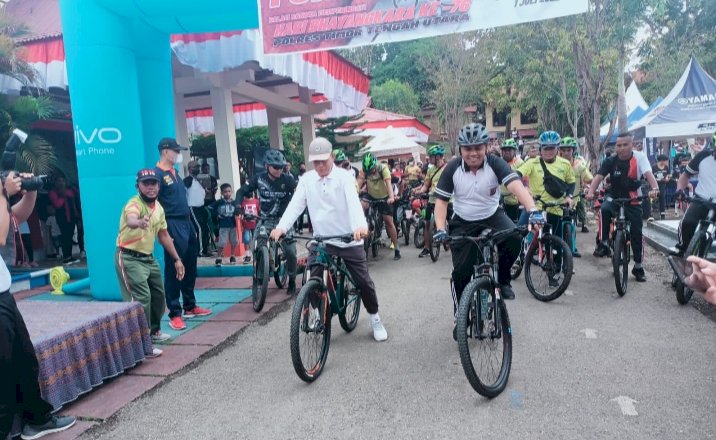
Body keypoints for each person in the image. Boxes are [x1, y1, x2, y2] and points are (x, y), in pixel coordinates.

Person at [270, 137, 388, 342]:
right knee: (312, 277)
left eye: (324, 160)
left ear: (332, 156)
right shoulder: (307, 179)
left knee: (363, 282)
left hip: (348, 238)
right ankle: (317, 314)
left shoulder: (344, 177)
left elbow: (353, 203)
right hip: (322, 240)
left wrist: (360, 226)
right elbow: (296, 205)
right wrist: (281, 227)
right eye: (316, 162)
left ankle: (375, 317)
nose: (320, 165)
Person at [432, 123, 541, 339]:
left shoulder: (495, 163)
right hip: (463, 220)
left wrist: (534, 210)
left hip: (492, 216)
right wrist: (439, 229)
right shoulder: (452, 168)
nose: (473, 153)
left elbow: (516, 187)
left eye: (478, 148)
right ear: (460, 149)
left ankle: (503, 279)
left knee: (514, 237)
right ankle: (461, 315)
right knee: (461, 272)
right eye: (468, 148)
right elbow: (442, 202)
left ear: (485, 147)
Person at [0, 172, 77, 440]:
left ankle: (37, 419)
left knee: (24, 360)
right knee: (3, 367)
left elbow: (15, 218)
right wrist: (3, 192)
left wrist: (30, 191)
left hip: (3, 293)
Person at [115, 169, 186, 354]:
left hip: (148, 259)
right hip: (129, 257)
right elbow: (131, 219)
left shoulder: (159, 209)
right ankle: (140, 343)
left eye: (153, 183)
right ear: (137, 186)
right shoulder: (134, 204)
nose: (150, 187)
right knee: (141, 298)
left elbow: (163, 235)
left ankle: (154, 331)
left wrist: (177, 259)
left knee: (158, 296)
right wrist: (139, 222)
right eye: (145, 183)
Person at [154, 138, 212, 331]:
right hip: (171, 223)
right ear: (165, 151)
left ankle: (189, 305)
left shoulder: (175, 173)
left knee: (190, 264)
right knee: (174, 268)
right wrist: (162, 229)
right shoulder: (157, 174)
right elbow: (153, 202)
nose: (177, 154)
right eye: (175, 151)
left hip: (186, 222)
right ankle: (174, 312)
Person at [587, 132, 659, 282]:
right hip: (615, 196)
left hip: (633, 198)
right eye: (618, 145)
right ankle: (604, 243)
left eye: (625, 145)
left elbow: (649, 175)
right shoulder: (610, 161)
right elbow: (598, 177)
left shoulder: (640, 158)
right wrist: (590, 192)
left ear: (632, 145)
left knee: (636, 232)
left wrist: (655, 188)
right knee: (604, 209)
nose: (621, 148)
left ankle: (638, 266)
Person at [235, 149, 298, 295]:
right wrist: (238, 207)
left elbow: (300, 195)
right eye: (275, 167)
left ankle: (293, 280)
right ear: (266, 166)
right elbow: (240, 192)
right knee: (257, 247)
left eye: (281, 167)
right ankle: (259, 277)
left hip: (284, 222)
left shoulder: (288, 180)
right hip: (265, 220)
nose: (279, 170)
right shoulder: (258, 179)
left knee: (291, 252)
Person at [517, 131, 577, 267]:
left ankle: (556, 269)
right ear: (540, 150)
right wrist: (523, 187)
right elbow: (517, 174)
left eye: (552, 148)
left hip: (555, 208)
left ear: (557, 149)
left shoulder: (565, 164)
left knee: (557, 243)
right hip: (535, 207)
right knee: (518, 231)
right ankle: (518, 257)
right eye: (545, 148)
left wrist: (569, 196)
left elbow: (571, 183)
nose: (549, 151)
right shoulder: (532, 163)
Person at [670, 135, 716, 257]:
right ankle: (682, 248)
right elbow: (685, 176)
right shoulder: (703, 156)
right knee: (686, 223)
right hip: (702, 199)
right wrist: (679, 190)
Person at [356, 152, 401, 260]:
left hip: (384, 196)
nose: (369, 172)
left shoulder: (383, 169)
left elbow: (389, 184)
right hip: (371, 195)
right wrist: (353, 194)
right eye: (367, 171)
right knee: (361, 205)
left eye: (371, 170)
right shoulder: (364, 171)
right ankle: (364, 225)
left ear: (375, 165)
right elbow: (358, 184)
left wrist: (391, 197)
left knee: (389, 222)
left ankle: (396, 248)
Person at [414, 145, 449, 258]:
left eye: (431, 157)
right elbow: (426, 185)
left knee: (452, 221)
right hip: (432, 198)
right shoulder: (430, 169)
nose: (429, 159)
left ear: (438, 157)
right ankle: (427, 248)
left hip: (446, 200)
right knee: (427, 223)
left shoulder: (448, 168)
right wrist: (420, 191)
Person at [558, 136, 593, 234]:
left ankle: (583, 224)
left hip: (574, 199)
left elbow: (590, 179)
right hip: (557, 201)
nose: (566, 153)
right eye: (563, 150)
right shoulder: (555, 165)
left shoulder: (579, 166)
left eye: (568, 150)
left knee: (579, 211)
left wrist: (590, 189)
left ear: (573, 150)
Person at [48, 176, 81, 265]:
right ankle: (66, 257)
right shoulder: (53, 192)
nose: (62, 183)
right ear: (56, 183)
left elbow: (74, 197)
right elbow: (57, 204)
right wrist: (63, 196)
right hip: (62, 218)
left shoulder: (69, 191)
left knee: (70, 237)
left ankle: (70, 256)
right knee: (65, 237)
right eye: (59, 181)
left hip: (72, 217)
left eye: (63, 181)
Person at [184, 160, 210, 257]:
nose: (198, 169)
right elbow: (183, 192)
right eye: (195, 167)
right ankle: (200, 251)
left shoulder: (200, 180)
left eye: (198, 167)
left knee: (206, 228)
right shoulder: (188, 180)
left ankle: (206, 249)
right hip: (193, 207)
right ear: (190, 169)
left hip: (201, 207)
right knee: (199, 229)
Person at [210, 183, 239, 266]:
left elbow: (239, 209)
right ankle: (219, 257)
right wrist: (217, 214)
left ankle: (232, 256)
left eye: (229, 191)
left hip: (233, 225)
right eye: (225, 191)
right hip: (223, 226)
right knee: (222, 242)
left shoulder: (235, 202)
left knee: (234, 241)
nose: (227, 193)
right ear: (222, 193)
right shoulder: (219, 202)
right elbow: (210, 208)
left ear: (232, 192)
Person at [498, 139, 524, 223]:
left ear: (514, 151)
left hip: (514, 200)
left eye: (509, 150)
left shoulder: (519, 163)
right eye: (504, 150)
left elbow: (525, 180)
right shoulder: (499, 162)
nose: (506, 152)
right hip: (500, 199)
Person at [240, 193, 259, 264]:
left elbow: (259, 211)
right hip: (246, 224)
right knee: (246, 239)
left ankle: (256, 254)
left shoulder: (257, 201)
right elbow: (241, 212)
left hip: (255, 224)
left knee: (256, 239)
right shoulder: (242, 202)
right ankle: (247, 255)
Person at [651, 154, 671, 220]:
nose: (666, 162)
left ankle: (662, 213)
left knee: (662, 198)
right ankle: (654, 212)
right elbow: (650, 177)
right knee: (654, 198)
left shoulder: (666, 167)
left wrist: (667, 178)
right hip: (655, 185)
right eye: (666, 161)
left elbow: (668, 174)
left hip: (662, 184)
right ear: (662, 161)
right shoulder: (654, 167)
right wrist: (657, 180)